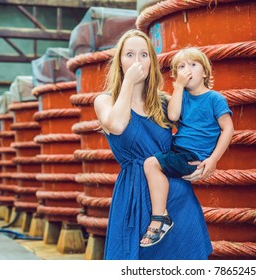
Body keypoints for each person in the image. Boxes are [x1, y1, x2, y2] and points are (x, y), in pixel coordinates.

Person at [93, 30, 213, 259]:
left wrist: (210, 162)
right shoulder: (105, 101)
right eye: (129, 54)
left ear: (152, 61)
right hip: (133, 199)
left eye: (144, 55)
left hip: (177, 198)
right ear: (119, 62)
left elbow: (203, 126)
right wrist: (128, 83)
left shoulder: (164, 102)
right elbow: (117, 125)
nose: (137, 61)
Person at [140, 47, 234, 247]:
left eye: (192, 65)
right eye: (181, 67)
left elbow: (228, 129)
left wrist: (213, 159)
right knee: (147, 158)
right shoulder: (181, 96)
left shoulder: (214, 99)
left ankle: (160, 218)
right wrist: (179, 87)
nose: (187, 70)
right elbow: (173, 116)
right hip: (177, 149)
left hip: (192, 156)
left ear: (205, 72)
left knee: (150, 164)